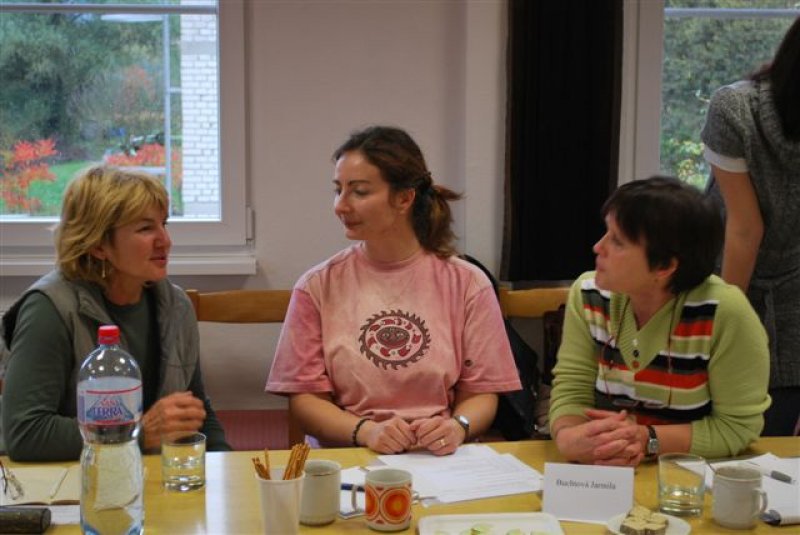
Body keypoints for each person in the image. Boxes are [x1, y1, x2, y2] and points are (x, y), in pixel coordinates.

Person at [266, 125, 521, 455]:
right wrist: (367, 431)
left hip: (437, 457)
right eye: (338, 190)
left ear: (404, 198)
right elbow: (305, 400)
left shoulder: (468, 283)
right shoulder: (316, 286)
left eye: (359, 192)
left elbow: (482, 393)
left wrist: (457, 427)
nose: (340, 206)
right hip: (349, 456)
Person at [1, 165, 230, 462]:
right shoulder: (49, 309)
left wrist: (229, 468)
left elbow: (195, 412)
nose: (165, 240)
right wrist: (137, 433)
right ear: (98, 245)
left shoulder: (177, 306)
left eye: (164, 224)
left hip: (143, 476)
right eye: (145, 228)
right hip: (71, 482)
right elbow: (26, 434)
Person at [548, 177, 770, 466]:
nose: (597, 247)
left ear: (665, 266)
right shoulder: (589, 295)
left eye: (617, 241)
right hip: (605, 472)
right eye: (606, 233)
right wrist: (568, 437)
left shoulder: (724, 312)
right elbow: (572, 390)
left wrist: (647, 440)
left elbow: (737, 427)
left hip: (689, 477)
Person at [701, 16, 800, 436]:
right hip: (726, 276)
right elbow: (744, 230)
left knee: (778, 441)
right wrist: (726, 330)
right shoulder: (736, 110)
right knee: (721, 429)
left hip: (794, 291)